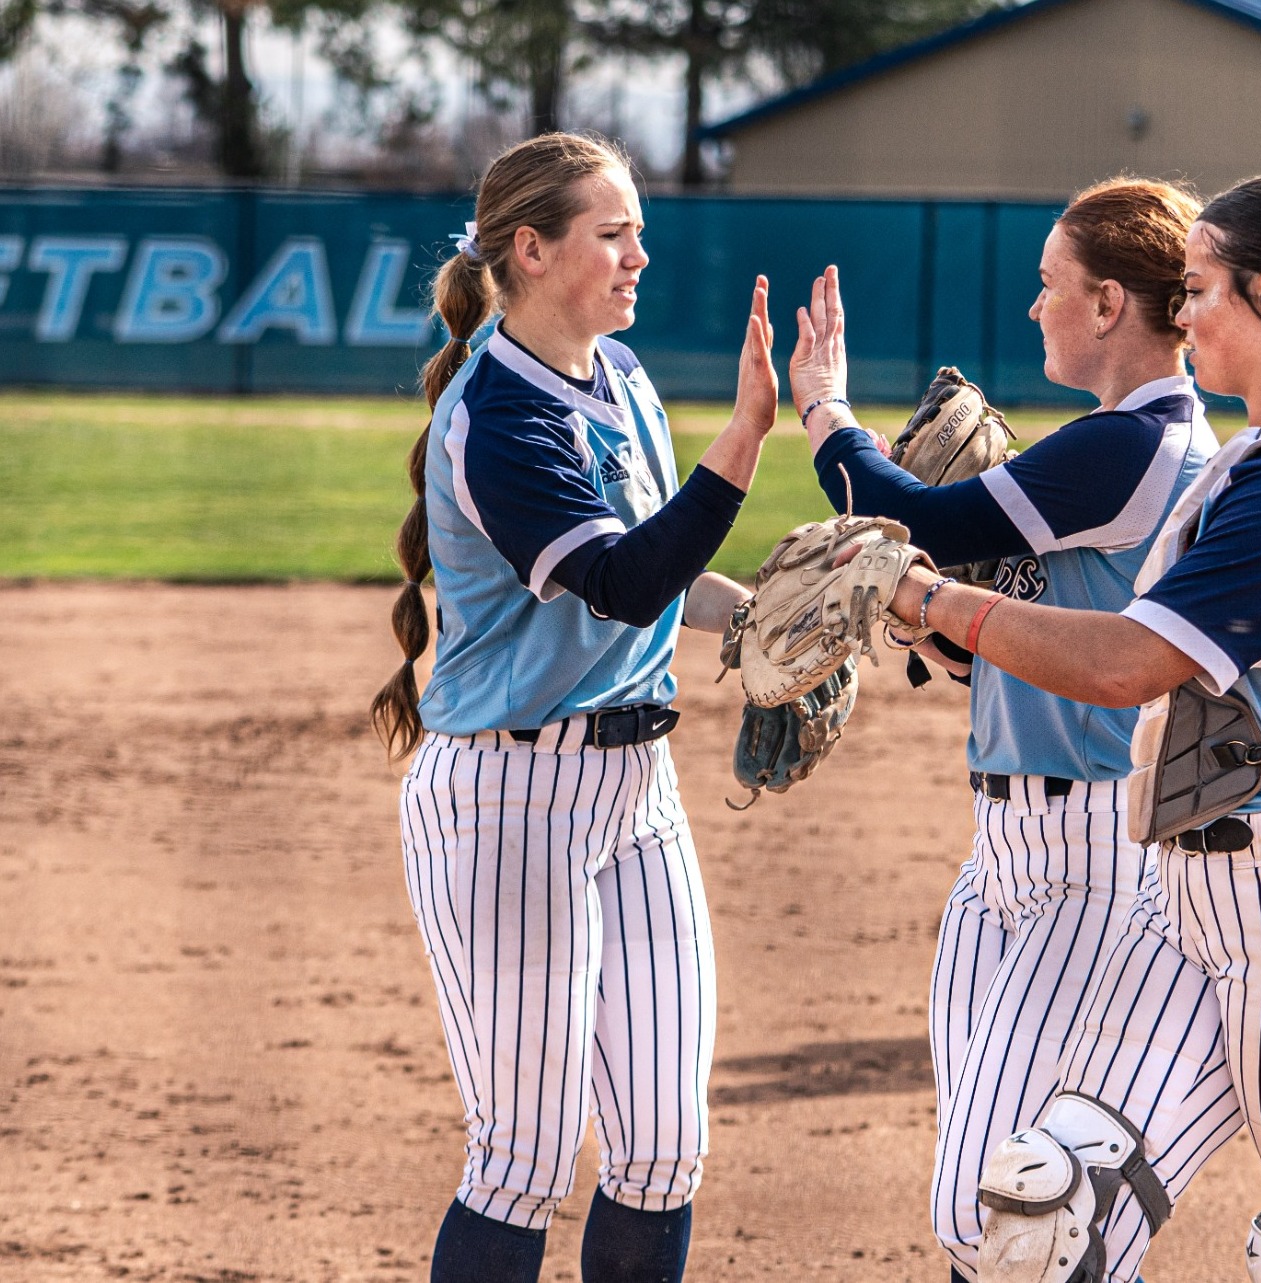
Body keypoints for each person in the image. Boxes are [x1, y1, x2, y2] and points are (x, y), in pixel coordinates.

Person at [864, 169, 1261, 1283]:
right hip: (1200, 901)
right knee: (1041, 1213)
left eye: (1201, 288)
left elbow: (1125, 665)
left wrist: (930, 595)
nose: (1184, 309)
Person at [787, 178, 1218, 1281]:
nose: (1035, 307)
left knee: (1000, 1212)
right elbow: (1024, 630)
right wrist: (940, 630)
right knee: (1008, 1213)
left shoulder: (1136, 441)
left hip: (1092, 864)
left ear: (1111, 303)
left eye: (1050, 285)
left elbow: (918, 517)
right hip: (1008, 855)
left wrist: (826, 407)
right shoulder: (1103, 448)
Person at [368, 132, 778, 1283]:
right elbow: (619, 581)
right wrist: (742, 440)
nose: (640, 254)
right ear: (533, 250)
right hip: (508, 801)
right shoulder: (503, 414)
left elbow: (667, 570)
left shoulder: (622, 377)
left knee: (662, 1147)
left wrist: (769, 624)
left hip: (636, 793)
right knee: (526, 1154)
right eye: (614, 234)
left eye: (639, 229)